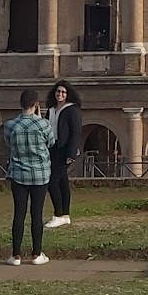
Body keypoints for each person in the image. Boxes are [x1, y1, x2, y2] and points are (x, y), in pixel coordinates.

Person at [1, 89, 55, 265]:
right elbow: (51, 143)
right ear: (36, 104)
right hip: (40, 174)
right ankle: (37, 254)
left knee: (19, 213)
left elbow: (9, 144)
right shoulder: (44, 124)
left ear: (20, 104)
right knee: (36, 214)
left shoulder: (10, 125)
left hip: (18, 173)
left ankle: (16, 254)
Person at [44, 80, 82, 228]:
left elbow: (76, 133)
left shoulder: (72, 109)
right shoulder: (51, 109)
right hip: (52, 147)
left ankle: (58, 214)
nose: (60, 94)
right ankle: (65, 215)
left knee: (51, 181)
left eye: (63, 92)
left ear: (68, 94)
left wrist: (71, 153)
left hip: (65, 148)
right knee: (62, 182)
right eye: (58, 92)